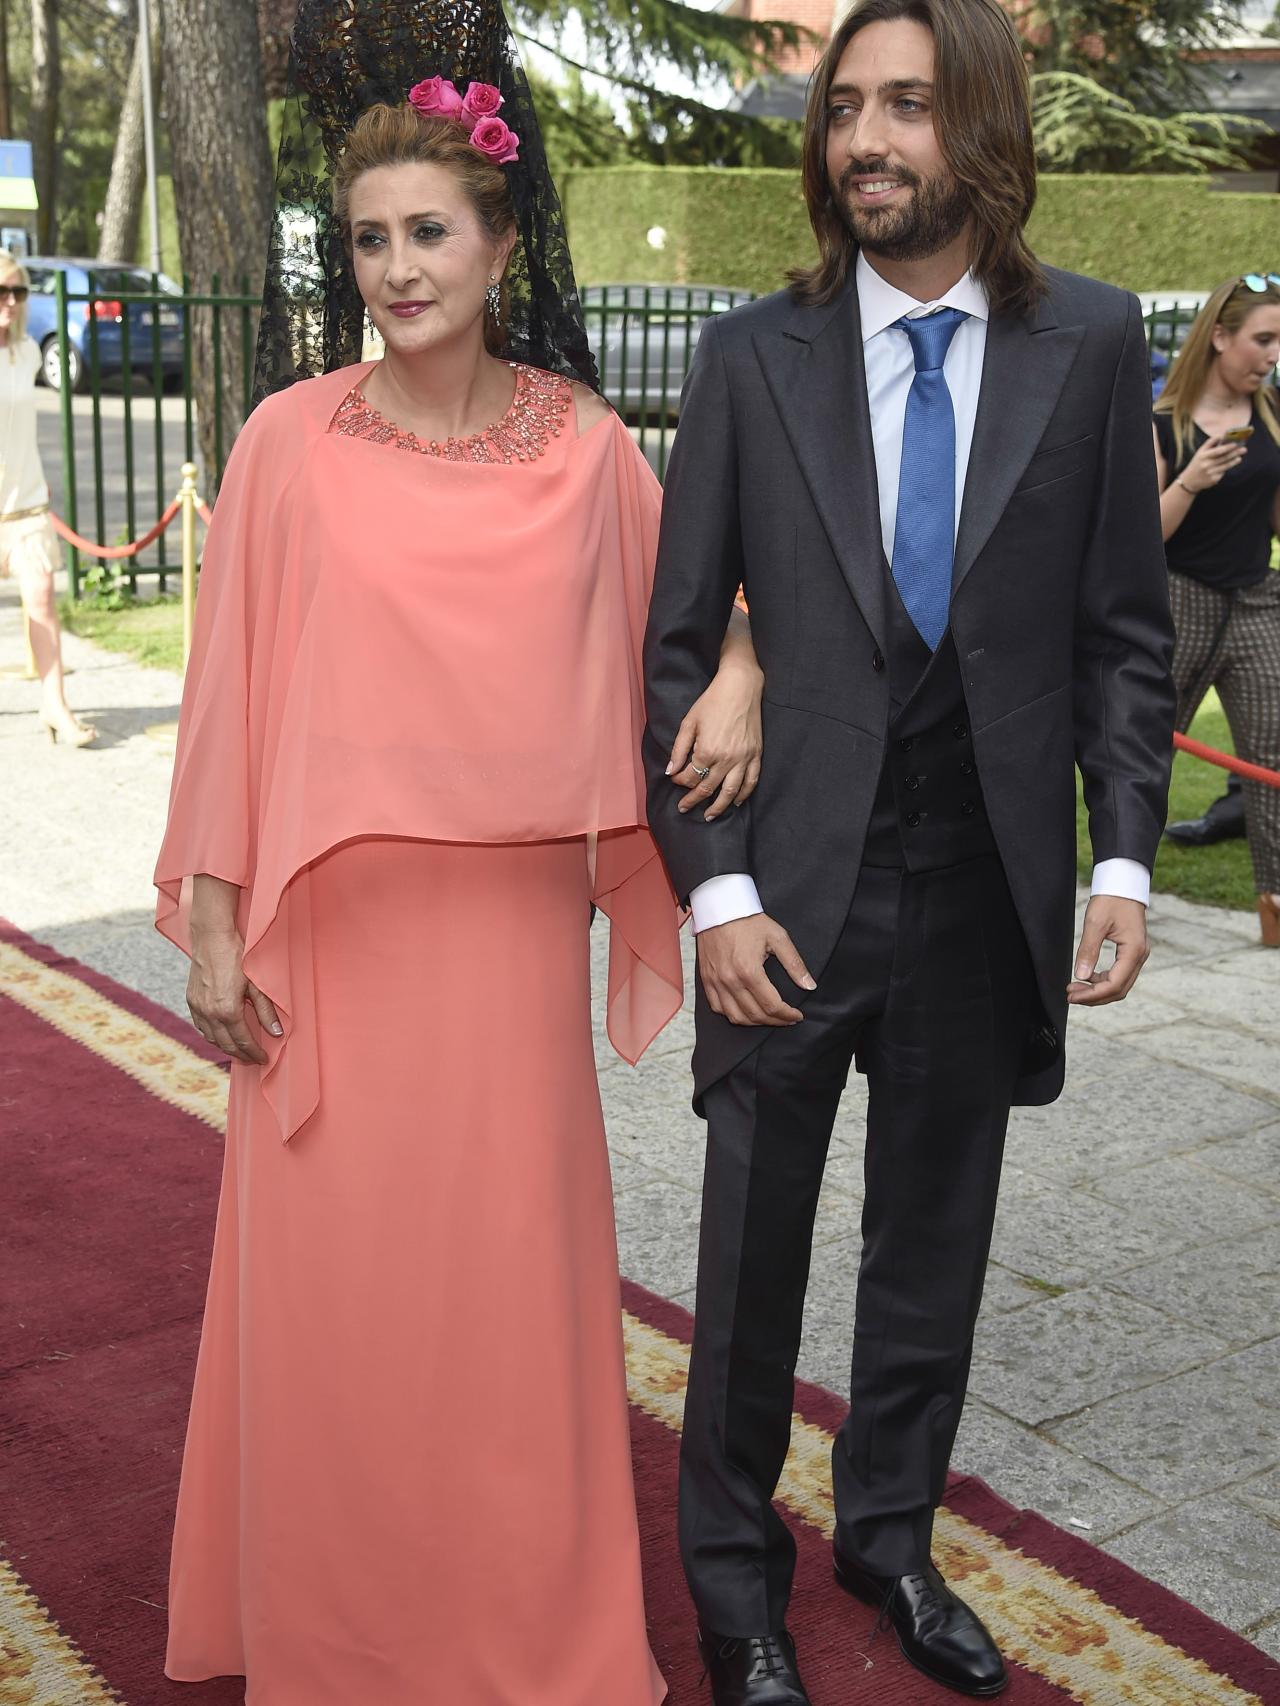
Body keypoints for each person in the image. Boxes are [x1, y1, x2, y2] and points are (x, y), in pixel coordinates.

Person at [153, 69, 767, 1706]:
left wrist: (748, 669)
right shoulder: (286, 442)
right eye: (368, 239)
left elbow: (709, 603)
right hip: (332, 949)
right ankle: (337, 1638)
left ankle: (534, 1638)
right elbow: (229, 696)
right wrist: (215, 920)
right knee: (342, 1315)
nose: (399, 266)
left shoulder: (585, 450)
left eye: (430, 231)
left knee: (505, 1306)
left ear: (500, 243)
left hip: (504, 952)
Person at [642, 1, 1176, 1699]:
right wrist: (713, 892)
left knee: (931, 1255)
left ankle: (889, 1536)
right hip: (785, 898)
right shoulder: (750, 358)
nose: (863, 136)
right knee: (749, 1274)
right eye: (844, 106)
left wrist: (1123, 861)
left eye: (907, 106)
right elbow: (670, 654)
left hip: (987, 896)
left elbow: (1122, 634)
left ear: (987, 127)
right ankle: (735, 1593)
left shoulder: (1093, 347)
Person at [1152, 274, 1280, 946]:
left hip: (1259, 601)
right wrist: (1192, 481)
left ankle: (1276, 907)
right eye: (1263, 339)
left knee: (1273, 753)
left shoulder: (1272, 413)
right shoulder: (1163, 424)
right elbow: (1140, 537)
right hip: (1180, 602)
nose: (1272, 354)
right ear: (1221, 337)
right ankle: (1124, 891)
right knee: (1143, 753)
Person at [0, 250, 97, 747]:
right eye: (3, 292)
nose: (12, 302)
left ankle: (55, 705)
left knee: (41, 600)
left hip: (26, 506)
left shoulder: (28, 354)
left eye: (18, 291)